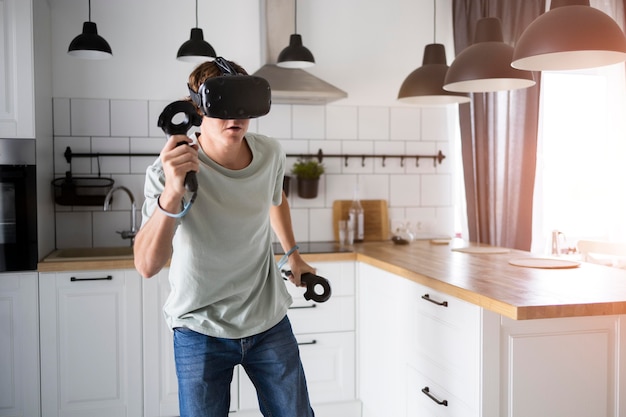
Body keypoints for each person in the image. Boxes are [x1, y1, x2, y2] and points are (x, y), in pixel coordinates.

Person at [133, 58, 316, 417]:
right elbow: (146, 265)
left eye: (243, 104)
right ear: (197, 109)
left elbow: (274, 199)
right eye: (222, 105)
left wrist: (292, 254)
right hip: (199, 326)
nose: (236, 117)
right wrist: (172, 191)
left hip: (267, 320)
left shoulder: (270, 153)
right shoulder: (168, 169)